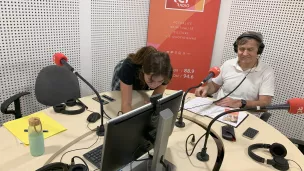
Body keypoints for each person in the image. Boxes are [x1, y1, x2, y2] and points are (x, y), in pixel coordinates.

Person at [195, 31, 275, 111]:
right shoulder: (228, 64)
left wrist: (240, 103)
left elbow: (265, 104)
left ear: (258, 50)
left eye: (250, 49)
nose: (245, 53)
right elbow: (214, 86)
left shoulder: (266, 72)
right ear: (236, 49)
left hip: (247, 114)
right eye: (241, 49)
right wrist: (206, 88)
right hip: (219, 110)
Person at [112, 46, 173, 114]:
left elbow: (154, 99)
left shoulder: (166, 72)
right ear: (143, 70)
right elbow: (126, 104)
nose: (154, 85)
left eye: (160, 81)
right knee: (117, 101)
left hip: (141, 76)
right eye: (151, 80)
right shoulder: (128, 68)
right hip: (125, 72)